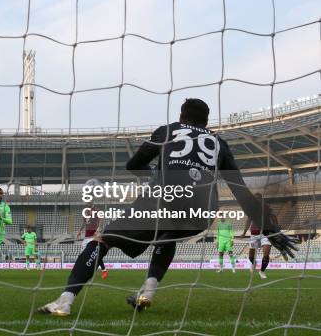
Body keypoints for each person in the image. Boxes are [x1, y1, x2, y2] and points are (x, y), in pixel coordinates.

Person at [38, 98, 298, 316]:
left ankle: (66, 300)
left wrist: (155, 172)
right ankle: (147, 292)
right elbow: (241, 192)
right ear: (207, 122)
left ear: (181, 116)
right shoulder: (219, 143)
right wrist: (271, 229)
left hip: (165, 198)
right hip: (202, 210)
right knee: (168, 234)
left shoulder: (168, 130)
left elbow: (133, 165)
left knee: (103, 240)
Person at [242, 194, 275, 279]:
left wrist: (276, 228)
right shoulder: (252, 209)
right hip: (254, 232)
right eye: (256, 199)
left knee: (266, 253)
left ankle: (262, 271)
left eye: (259, 199)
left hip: (266, 232)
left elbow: (273, 217)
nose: (257, 200)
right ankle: (254, 263)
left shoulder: (266, 207)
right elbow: (248, 221)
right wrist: (244, 233)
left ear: (261, 199)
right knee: (251, 257)